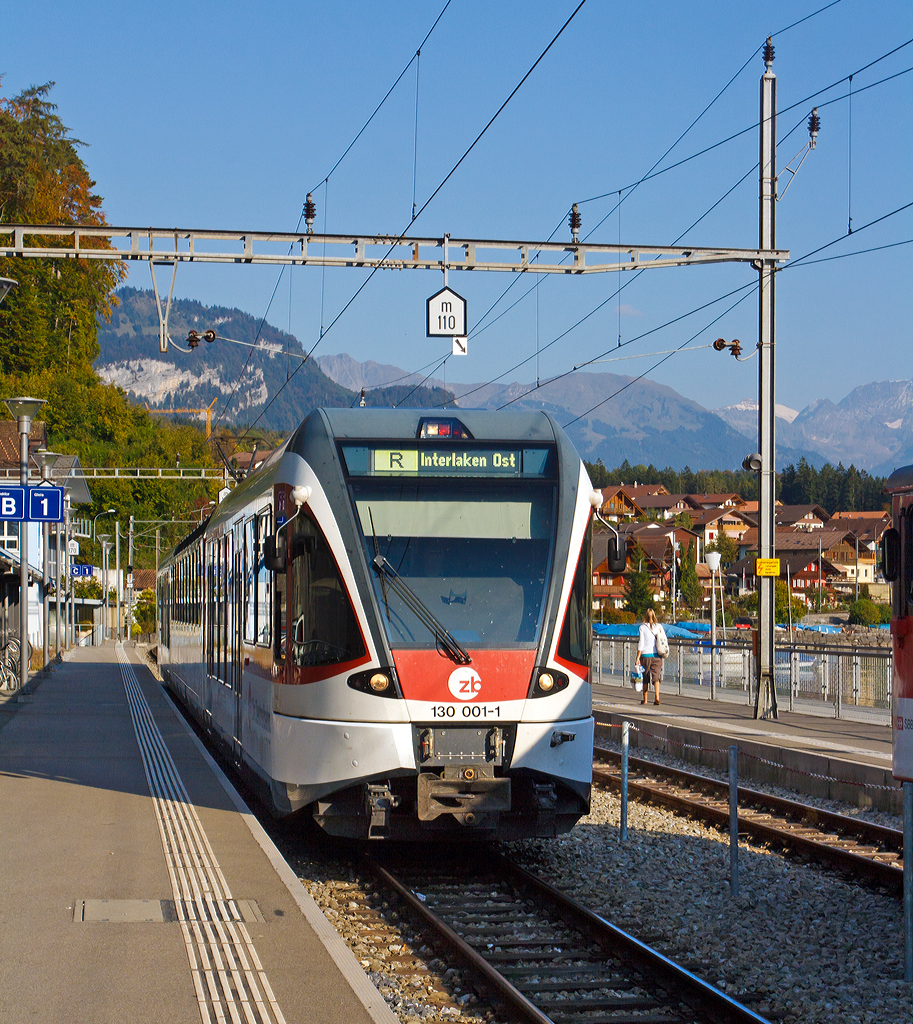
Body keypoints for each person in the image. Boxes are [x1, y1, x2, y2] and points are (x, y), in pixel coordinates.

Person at [635, 607, 663, 705]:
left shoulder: (642, 627)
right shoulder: (659, 626)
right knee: (656, 677)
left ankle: (645, 699)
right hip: (657, 655)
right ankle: (657, 697)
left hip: (645, 655)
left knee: (645, 676)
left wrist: (638, 657)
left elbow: (641, 643)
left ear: (645, 616)